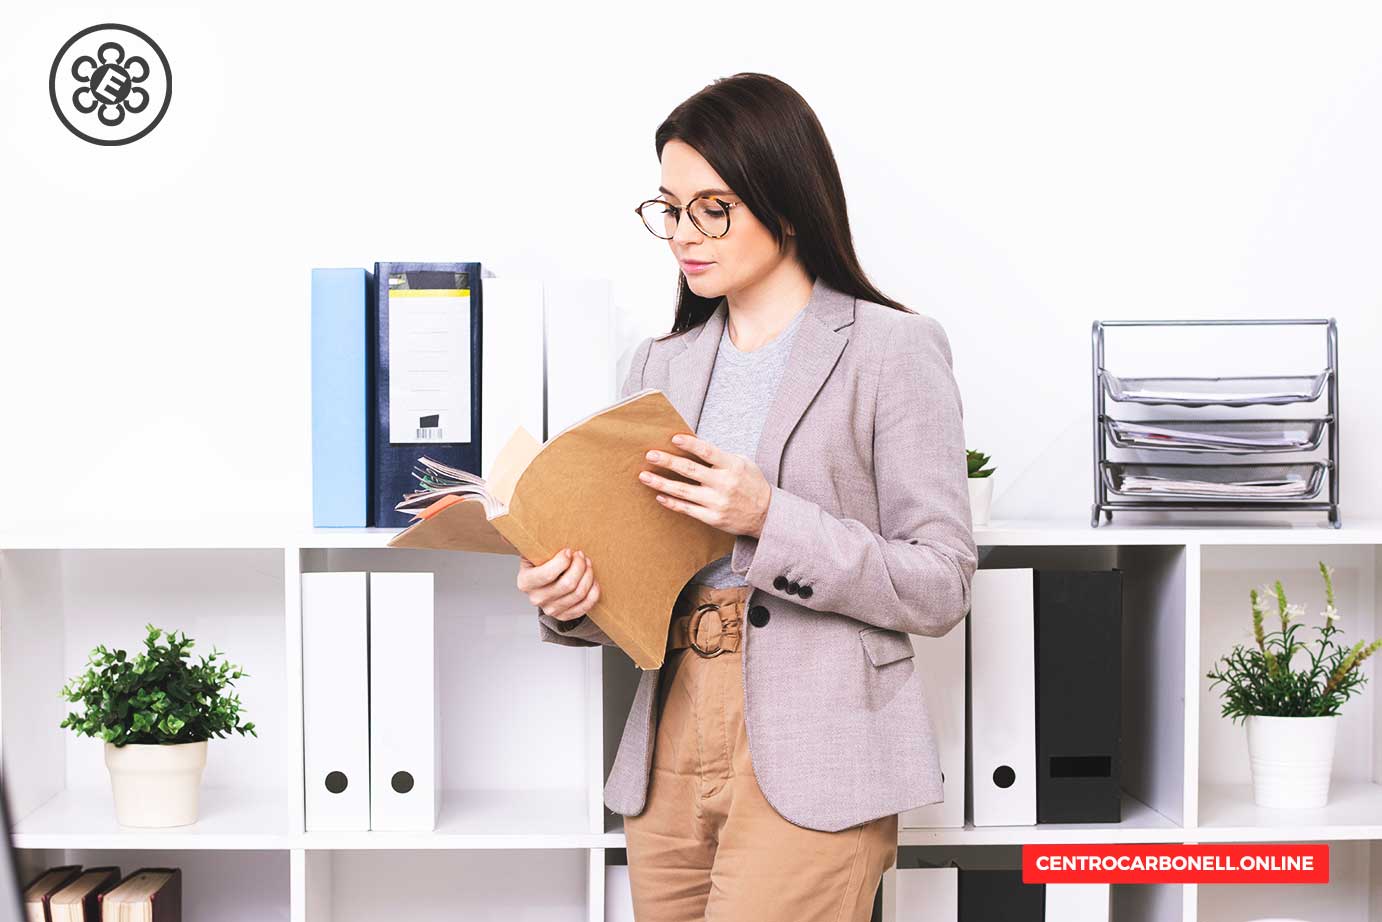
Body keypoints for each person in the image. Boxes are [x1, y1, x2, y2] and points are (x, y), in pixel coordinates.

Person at [517, 72, 976, 922]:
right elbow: (641, 577)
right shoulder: (660, 365)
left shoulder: (892, 349)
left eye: (712, 209)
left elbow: (941, 582)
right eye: (670, 208)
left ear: (788, 204)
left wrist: (768, 516)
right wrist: (570, 601)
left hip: (818, 741)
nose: (683, 235)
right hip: (671, 735)